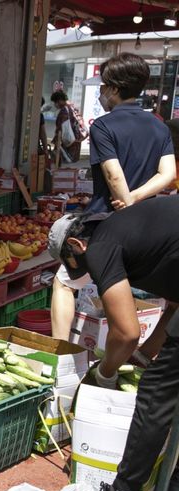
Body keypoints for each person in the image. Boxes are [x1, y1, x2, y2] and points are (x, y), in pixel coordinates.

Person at [47, 198, 179, 491]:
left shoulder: (101, 246)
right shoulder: (128, 229)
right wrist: (144, 354)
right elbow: (174, 303)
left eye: (74, 264)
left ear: (78, 245)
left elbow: (126, 332)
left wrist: (105, 372)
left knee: (156, 393)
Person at [50, 53, 175, 341]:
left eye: (105, 87)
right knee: (170, 300)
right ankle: (145, 355)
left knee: (65, 284)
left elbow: (114, 175)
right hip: (152, 228)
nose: (103, 93)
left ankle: (57, 353)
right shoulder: (159, 125)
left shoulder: (103, 126)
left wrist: (127, 201)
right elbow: (166, 174)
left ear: (115, 89)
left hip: (107, 225)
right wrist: (138, 197)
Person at [50, 90, 85, 165]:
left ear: (59, 100)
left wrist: (56, 142)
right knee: (71, 167)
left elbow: (60, 129)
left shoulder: (63, 111)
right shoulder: (73, 107)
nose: (55, 104)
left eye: (55, 102)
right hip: (76, 141)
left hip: (68, 143)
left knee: (64, 167)